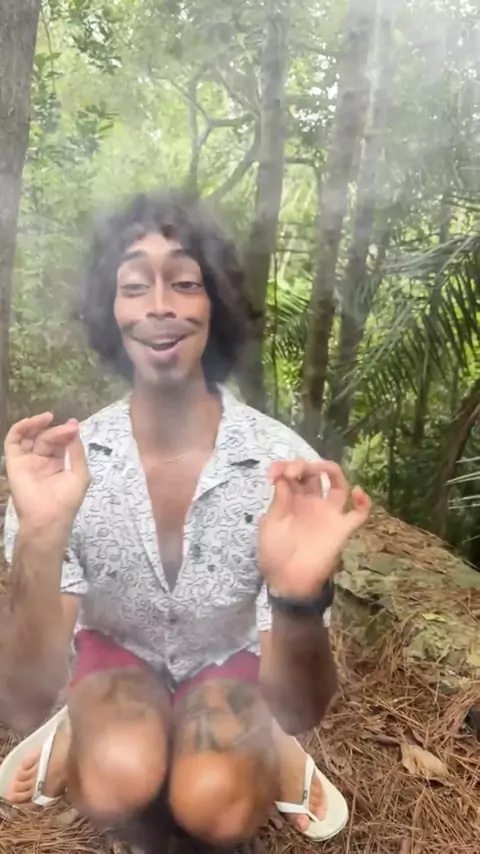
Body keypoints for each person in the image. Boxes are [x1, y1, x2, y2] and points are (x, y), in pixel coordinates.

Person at [0, 191, 370, 847]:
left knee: (216, 805)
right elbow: (21, 696)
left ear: (215, 303)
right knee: (117, 778)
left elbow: (304, 707)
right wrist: (41, 537)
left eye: (185, 283)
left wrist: (298, 598)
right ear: (111, 311)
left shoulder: (282, 467)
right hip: (116, 659)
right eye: (133, 286)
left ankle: (265, 743)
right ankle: (82, 722)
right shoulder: (67, 465)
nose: (159, 306)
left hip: (230, 664)